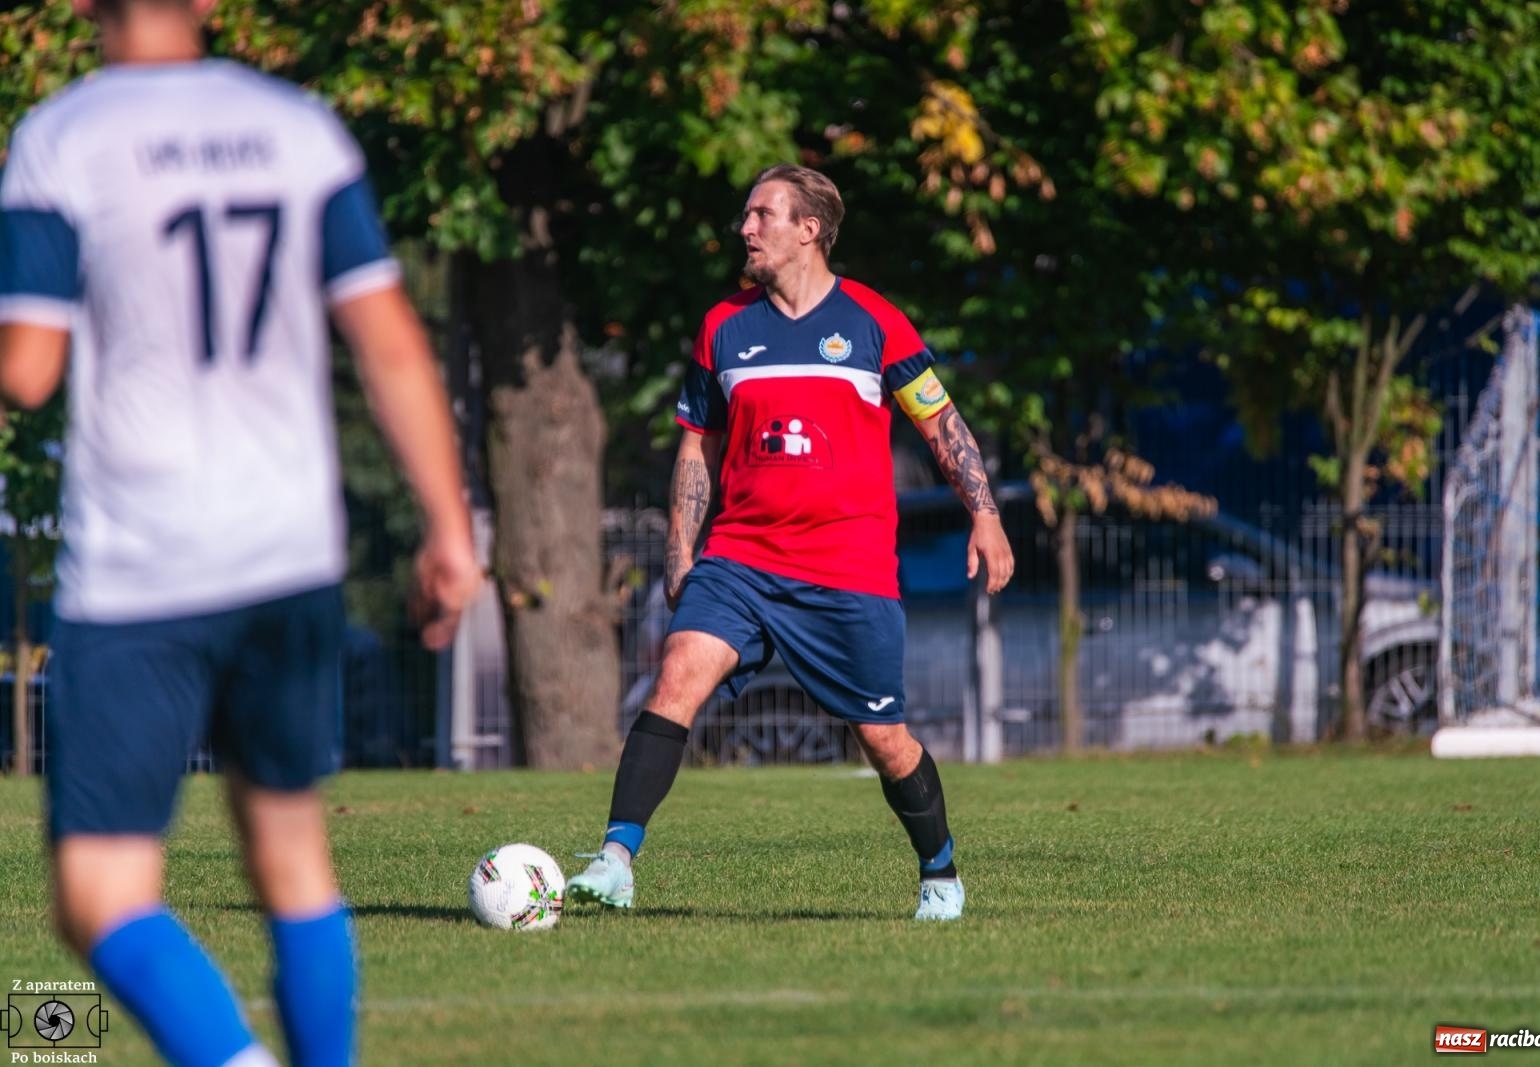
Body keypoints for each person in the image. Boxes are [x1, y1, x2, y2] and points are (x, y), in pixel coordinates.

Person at [0, 1, 480, 1063]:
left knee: (98, 893)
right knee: (292, 858)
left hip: (140, 564)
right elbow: (391, 342)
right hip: (284, 552)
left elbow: (25, 368)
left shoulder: (61, 137)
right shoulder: (298, 126)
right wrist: (449, 525)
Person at [567, 163, 1014, 922]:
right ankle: (615, 859)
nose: (746, 228)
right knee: (678, 674)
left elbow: (939, 423)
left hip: (849, 567)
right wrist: (682, 546)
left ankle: (939, 870)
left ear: (810, 229)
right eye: (746, 215)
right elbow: (695, 447)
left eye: (762, 215)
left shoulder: (875, 321)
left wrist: (986, 511)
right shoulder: (723, 326)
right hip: (740, 557)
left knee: (882, 735)